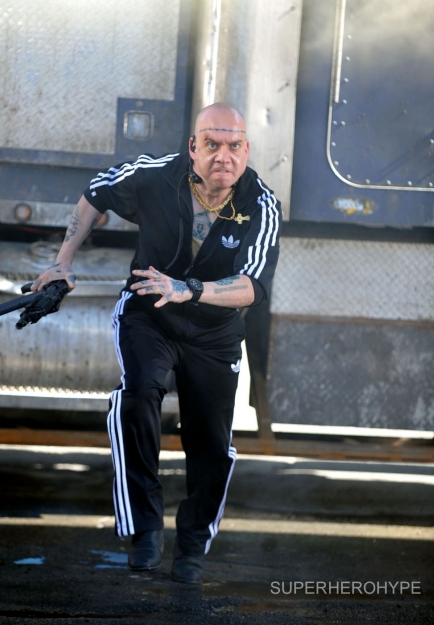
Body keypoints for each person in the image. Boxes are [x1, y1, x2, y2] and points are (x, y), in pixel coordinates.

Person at [32, 103, 281, 583]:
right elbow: (96, 192)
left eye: (234, 146)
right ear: (193, 147)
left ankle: (191, 548)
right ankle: (145, 526)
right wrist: (63, 261)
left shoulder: (261, 204)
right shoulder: (155, 174)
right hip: (150, 313)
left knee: (211, 442)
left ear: (247, 150)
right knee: (139, 392)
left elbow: (253, 286)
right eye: (212, 144)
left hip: (215, 334)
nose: (223, 156)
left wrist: (190, 290)